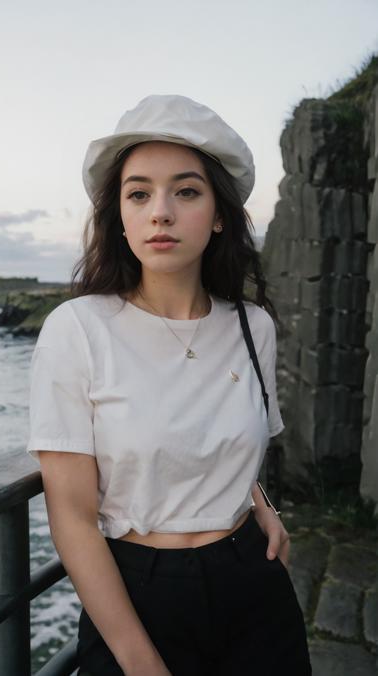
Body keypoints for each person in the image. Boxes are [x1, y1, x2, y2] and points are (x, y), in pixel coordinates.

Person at [26, 94, 312, 676]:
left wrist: (260, 504)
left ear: (219, 213)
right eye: (139, 193)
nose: (161, 211)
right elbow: (73, 518)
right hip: (137, 592)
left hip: (253, 583)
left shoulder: (252, 326)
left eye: (186, 191)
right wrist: (139, 662)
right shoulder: (78, 329)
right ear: (121, 217)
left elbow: (231, 441)